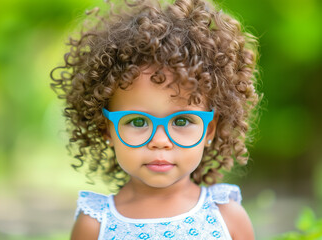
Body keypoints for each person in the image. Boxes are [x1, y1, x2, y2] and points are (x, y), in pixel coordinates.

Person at [51, 0, 260, 239]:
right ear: (106, 130)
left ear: (209, 130)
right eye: (138, 122)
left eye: (181, 121)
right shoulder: (95, 225)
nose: (160, 141)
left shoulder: (227, 218)